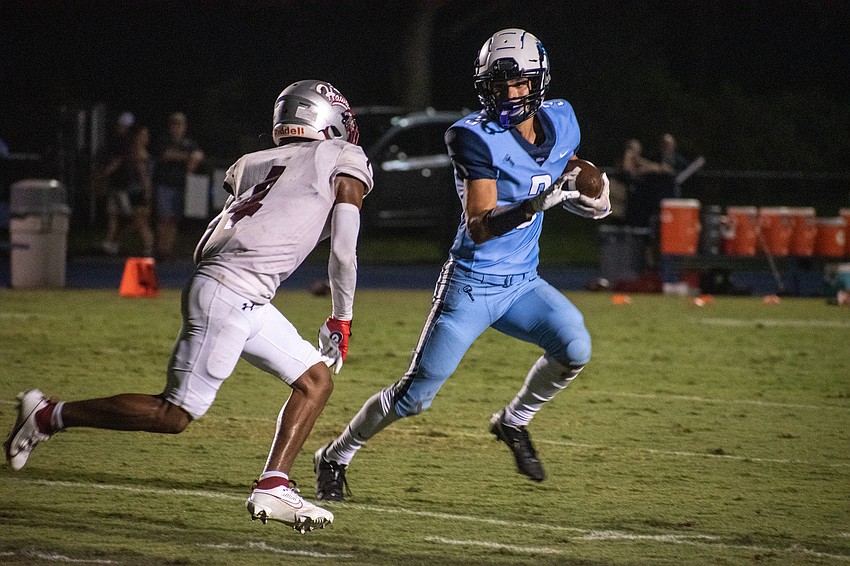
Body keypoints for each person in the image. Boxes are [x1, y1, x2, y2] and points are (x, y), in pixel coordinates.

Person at [4, 80, 373, 533]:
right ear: (325, 119)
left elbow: (214, 237)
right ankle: (46, 414)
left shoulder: (253, 163)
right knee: (173, 415)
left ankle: (274, 484)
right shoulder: (344, 157)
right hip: (233, 290)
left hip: (232, 286)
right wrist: (342, 315)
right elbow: (343, 250)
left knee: (315, 380)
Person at [313, 28, 611, 501]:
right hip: (471, 287)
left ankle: (513, 422)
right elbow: (479, 223)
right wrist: (536, 204)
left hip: (522, 284)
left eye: (519, 83)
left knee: (576, 346)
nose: (510, 93)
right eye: (499, 84)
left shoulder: (564, 117)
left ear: (539, 82)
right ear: (485, 86)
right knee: (414, 397)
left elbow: (563, 162)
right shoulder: (472, 136)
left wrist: (586, 180)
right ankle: (335, 454)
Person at [96, 121, 155, 256]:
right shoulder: (138, 153)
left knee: (138, 221)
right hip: (138, 191)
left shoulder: (139, 152)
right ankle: (147, 248)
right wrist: (147, 191)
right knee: (141, 222)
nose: (146, 137)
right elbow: (142, 175)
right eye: (143, 135)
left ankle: (116, 241)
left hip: (137, 191)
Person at [152, 111, 205, 260]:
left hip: (180, 184)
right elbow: (167, 154)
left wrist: (191, 162)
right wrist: (188, 157)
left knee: (174, 218)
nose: (177, 127)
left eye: (179, 124)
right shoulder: (165, 140)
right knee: (164, 217)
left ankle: (167, 249)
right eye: (174, 124)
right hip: (165, 183)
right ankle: (161, 248)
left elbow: (199, 156)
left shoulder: (188, 142)